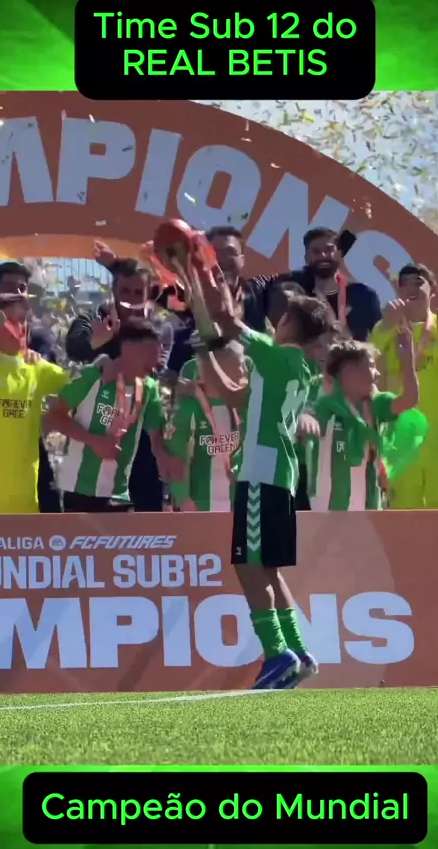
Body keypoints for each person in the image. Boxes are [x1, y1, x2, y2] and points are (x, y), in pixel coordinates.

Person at [193, 279, 333, 689]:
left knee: (249, 566)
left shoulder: (279, 356)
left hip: (260, 473)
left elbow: (228, 322)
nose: (277, 321)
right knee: (267, 568)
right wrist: (205, 349)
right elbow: (235, 396)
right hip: (279, 476)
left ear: (290, 325)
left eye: (284, 316)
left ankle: (276, 653)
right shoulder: (294, 367)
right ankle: (298, 652)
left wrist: (199, 278)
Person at [65, 257, 171, 512]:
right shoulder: (95, 319)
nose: (131, 299)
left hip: (140, 432)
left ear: (148, 294)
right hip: (95, 434)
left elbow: (155, 369)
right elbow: (74, 348)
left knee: (146, 515)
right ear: (113, 291)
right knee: (89, 519)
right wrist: (96, 343)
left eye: (138, 292)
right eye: (125, 291)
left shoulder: (158, 327)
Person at [46, 319, 169, 513]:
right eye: (150, 352)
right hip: (79, 489)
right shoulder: (92, 376)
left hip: (119, 495)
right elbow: (53, 417)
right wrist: (93, 441)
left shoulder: (149, 388)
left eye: (159, 353)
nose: (156, 362)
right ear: (128, 349)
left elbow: (157, 438)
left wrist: (169, 466)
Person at [371, 263, 438, 509]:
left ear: (433, 289)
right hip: (400, 437)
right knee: (403, 513)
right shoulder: (385, 326)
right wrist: (386, 329)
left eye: (418, 282)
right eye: (405, 284)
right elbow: (368, 365)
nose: (411, 288)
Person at [306, 335, 419, 511]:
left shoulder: (377, 405)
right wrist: (304, 421)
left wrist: (407, 361)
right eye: (371, 366)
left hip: (369, 513)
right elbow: (307, 424)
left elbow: (410, 399)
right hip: (329, 513)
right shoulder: (326, 407)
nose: (377, 373)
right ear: (350, 373)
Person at [0, 293, 69, 515]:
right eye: (10, 320)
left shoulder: (36, 368)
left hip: (25, 502)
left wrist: (100, 361)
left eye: (23, 319)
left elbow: (78, 388)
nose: (20, 327)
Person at [166, 341, 246, 512]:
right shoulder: (189, 408)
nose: (244, 371)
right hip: (200, 506)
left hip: (237, 504)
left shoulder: (244, 404)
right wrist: (183, 499)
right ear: (219, 370)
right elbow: (177, 458)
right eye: (238, 365)